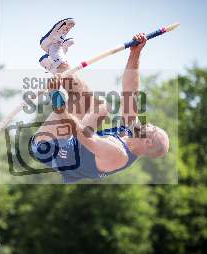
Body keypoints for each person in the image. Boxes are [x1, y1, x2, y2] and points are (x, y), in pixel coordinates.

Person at [32, 18, 169, 183]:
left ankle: (54, 50)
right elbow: (130, 91)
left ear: (147, 141)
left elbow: (81, 133)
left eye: (151, 128)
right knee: (102, 106)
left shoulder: (118, 154)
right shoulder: (131, 131)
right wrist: (135, 53)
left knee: (81, 100)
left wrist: (59, 105)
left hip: (48, 147)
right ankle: (56, 62)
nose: (147, 124)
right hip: (71, 141)